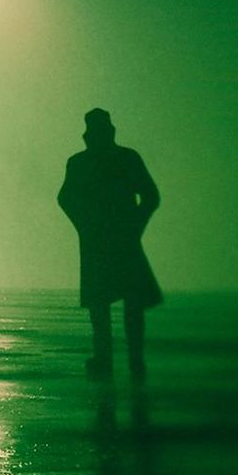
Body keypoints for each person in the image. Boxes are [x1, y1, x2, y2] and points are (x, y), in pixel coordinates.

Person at [57, 108, 162, 382]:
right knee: (122, 303)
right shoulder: (124, 159)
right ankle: (130, 359)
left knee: (106, 304)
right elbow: (150, 196)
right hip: (116, 239)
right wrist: (134, 224)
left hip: (103, 240)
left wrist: (87, 225)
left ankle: (111, 357)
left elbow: (66, 199)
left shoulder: (83, 163)